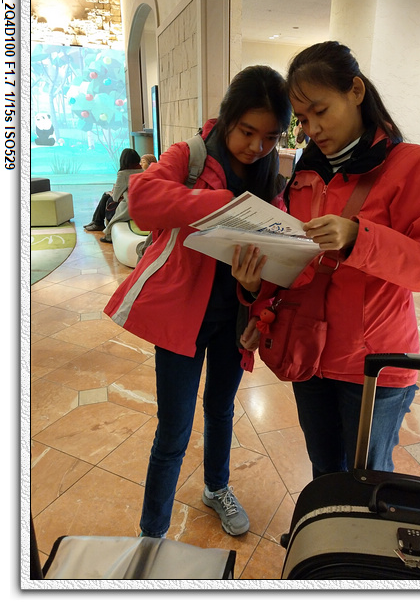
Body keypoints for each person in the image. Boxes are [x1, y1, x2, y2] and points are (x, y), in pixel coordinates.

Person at [232, 41, 420, 478]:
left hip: (374, 365)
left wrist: (359, 238)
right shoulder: (305, 172)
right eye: (303, 119)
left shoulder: (412, 166)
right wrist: (256, 292)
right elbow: (299, 263)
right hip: (308, 353)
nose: (312, 128)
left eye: (321, 111)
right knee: (324, 470)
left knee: (366, 482)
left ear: (355, 91)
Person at [104, 65, 291, 538]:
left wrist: (257, 296)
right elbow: (142, 201)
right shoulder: (190, 154)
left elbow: (274, 259)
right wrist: (222, 205)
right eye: (247, 131)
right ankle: (153, 535)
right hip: (182, 318)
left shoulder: (271, 174)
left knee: (221, 410)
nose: (257, 146)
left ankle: (216, 487)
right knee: (173, 430)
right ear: (228, 117)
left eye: (270, 137)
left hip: (235, 318)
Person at [84, 151, 156, 233]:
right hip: (139, 205)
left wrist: (113, 192)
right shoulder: (143, 171)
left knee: (106, 196)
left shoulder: (123, 174)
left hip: (128, 207)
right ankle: (96, 221)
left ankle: (98, 222)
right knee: (106, 195)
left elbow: (115, 197)